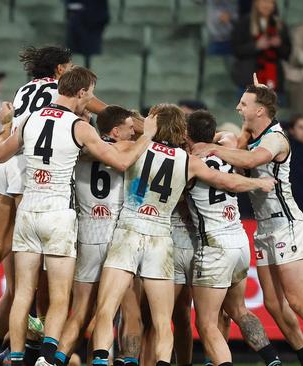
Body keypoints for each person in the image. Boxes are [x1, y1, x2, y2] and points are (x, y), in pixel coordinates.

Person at [0, 66, 155, 366]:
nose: (90, 101)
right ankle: (45, 360)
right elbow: (119, 162)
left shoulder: (30, 118)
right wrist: (148, 137)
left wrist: (5, 124)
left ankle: (16, 359)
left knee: (23, 294)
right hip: (58, 215)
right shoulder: (79, 128)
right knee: (59, 298)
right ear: (81, 92)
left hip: (28, 210)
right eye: (90, 94)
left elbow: (1, 154)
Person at [90, 104, 276, 366]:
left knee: (106, 310)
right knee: (165, 321)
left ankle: (100, 361)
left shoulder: (134, 148)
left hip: (129, 231)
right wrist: (258, 183)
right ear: (180, 130)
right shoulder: (188, 160)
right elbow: (226, 181)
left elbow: (98, 148)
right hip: (161, 238)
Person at [192, 76, 303, 366]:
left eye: (244, 104)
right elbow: (240, 152)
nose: (238, 107)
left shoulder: (276, 138)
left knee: (298, 301)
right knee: (272, 304)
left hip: (286, 224)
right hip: (265, 226)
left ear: (260, 111)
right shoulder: (251, 130)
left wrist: (213, 149)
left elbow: (252, 160)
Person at [0, 46, 74, 347]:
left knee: (11, 271)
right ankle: (33, 330)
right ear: (60, 70)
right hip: (31, 168)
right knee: (25, 263)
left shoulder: (24, 89)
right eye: (69, 65)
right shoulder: (62, 93)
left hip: (5, 164)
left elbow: (15, 126)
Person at [186, 110, 282, 366]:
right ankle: (273, 360)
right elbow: (228, 141)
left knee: (206, 322)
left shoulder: (189, 162)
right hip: (239, 241)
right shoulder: (227, 157)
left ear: (187, 136)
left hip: (214, 245)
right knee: (238, 311)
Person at [54, 106, 136, 366]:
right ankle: (111, 361)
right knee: (127, 312)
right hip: (116, 235)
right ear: (115, 131)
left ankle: (53, 360)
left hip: (88, 232)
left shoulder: (80, 150)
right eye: (129, 128)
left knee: (80, 312)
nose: (133, 132)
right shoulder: (128, 150)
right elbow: (128, 151)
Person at [231, 0, 291, 91]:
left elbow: (287, 54)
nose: (267, 5)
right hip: (248, 81)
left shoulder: (280, 25)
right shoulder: (244, 23)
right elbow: (236, 50)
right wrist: (256, 46)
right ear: (256, 3)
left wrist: (279, 45)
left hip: (274, 81)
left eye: (270, 2)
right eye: (264, 1)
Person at [64, 0, 109, 68]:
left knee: (87, 46)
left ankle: (86, 67)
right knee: (75, 44)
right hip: (81, 16)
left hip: (93, 16)